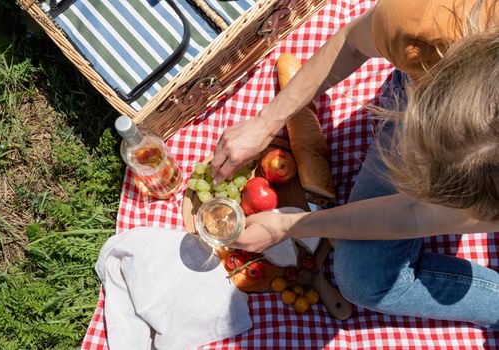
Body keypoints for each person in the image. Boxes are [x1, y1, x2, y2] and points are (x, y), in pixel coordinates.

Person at [211, 0, 499, 329]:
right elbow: (350, 43)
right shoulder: (429, 19)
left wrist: (291, 227)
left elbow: (413, 214)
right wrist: (265, 122)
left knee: (363, 280)